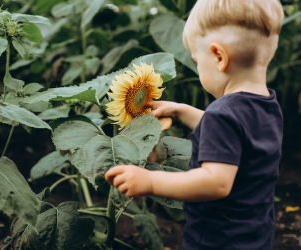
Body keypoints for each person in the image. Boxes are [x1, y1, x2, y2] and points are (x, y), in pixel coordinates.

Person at [105, 0, 284, 249]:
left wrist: (151, 181)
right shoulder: (267, 104)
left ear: (219, 56)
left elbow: (216, 182)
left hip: (218, 239)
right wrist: (183, 111)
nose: (198, 68)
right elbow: (233, 139)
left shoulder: (222, 114)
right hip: (255, 234)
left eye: (197, 61)